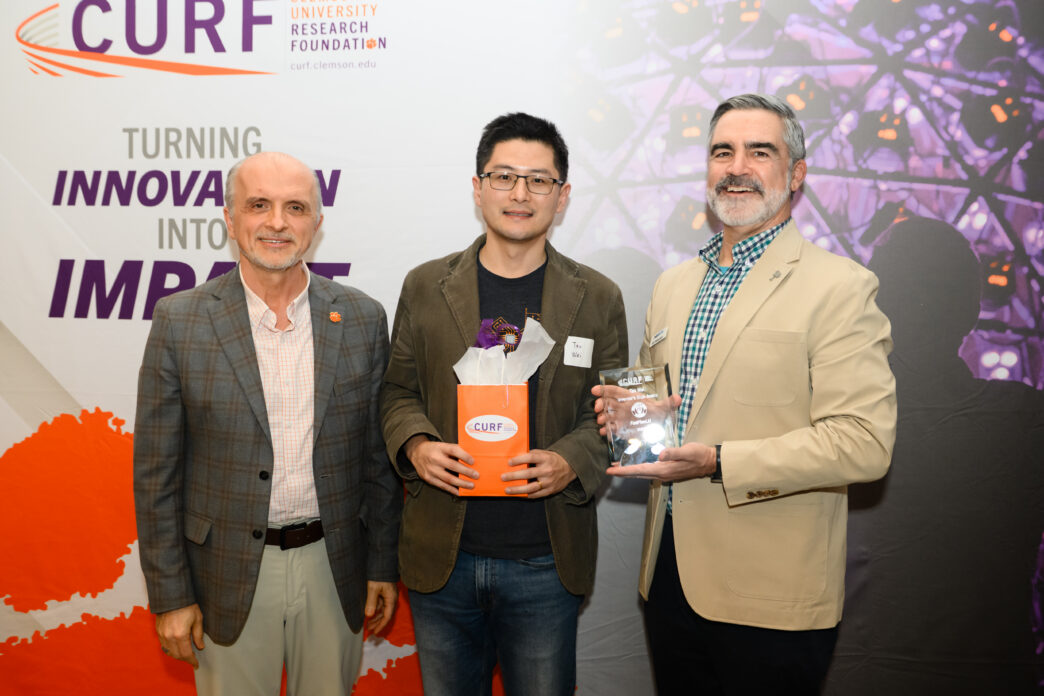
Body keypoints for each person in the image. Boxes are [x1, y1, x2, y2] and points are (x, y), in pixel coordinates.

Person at [597, 94, 897, 693]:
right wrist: (634, 418)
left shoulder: (840, 287)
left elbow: (864, 444)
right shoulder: (673, 284)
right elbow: (668, 403)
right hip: (669, 581)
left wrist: (719, 462)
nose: (737, 167)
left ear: (797, 174)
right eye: (721, 152)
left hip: (771, 595)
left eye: (761, 151)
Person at [133, 151, 401, 695]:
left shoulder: (363, 318)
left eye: (295, 207)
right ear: (231, 220)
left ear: (316, 225)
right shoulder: (180, 321)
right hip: (223, 574)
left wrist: (381, 565)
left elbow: (377, 460)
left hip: (335, 566)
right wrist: (171, 595)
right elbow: (156, 475)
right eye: (259, 205)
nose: (277, 222)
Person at [380, 112, 628, 695]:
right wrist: (416, 445)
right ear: (477, 187)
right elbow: (396, 391)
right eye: (504, 176)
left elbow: (617, 414)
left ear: (562, 195)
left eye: (539, 180)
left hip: (545, 557)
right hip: (444, 556)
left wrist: (572, 457)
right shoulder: (424, 285)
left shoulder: (598, 296)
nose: (520, 194)